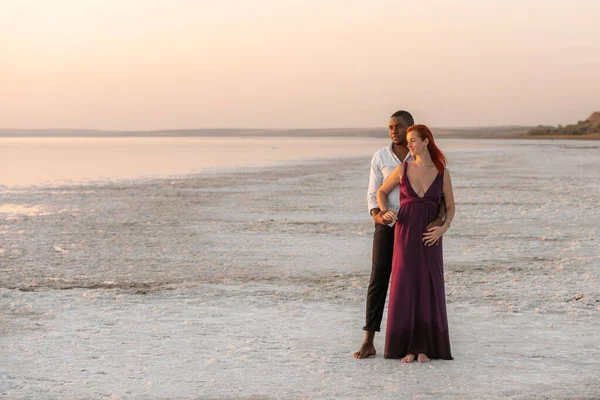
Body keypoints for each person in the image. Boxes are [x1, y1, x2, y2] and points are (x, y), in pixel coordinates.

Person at [354, 112, 445, 359]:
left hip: (416, 226)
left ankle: (418, 339)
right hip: (388, 224)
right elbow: (374, 193)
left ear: (410, 130)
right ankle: (369, 339)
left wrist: (439, 221)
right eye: (390, 127)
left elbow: (440, 196)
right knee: (379, 277)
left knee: (415, 281)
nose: (393, 131)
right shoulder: (381, 157)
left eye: (398, 127)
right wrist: (379, 215)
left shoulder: (423, 156)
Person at [376, 124, 454, 362]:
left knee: (428, 287)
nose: (408, 144)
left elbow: (450, 207)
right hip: (406, 232)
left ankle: (425, 347)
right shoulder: (403, 168)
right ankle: (408, 346)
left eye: (412, 140)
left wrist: (443, 228)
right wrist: (385, 211)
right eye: (408, 140)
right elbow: (381, 191)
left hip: (431, 237)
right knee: (406, 285)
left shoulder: (441, 172)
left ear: (425, 141)